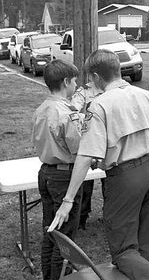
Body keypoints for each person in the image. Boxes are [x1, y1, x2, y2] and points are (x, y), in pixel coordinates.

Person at [48, 49, 149, 280]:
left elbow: (85, 155)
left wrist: (68, 199)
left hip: (123, 178)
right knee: (143, 246)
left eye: (90, 79)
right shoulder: (146, 96)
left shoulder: (99, 105)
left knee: (122, 252)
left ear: (97, 77)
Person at [32, 59, 83, 280]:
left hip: (46, 172)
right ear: (66, 81)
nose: (76, 86)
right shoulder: (67, 113)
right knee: (65, 238)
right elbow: (79, 148)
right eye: (74, 81)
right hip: (64, 176)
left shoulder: (42, 108)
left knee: (50, 233)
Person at [70, 80, 103, 230]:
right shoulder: (84, 91)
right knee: (85, 184)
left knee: (111, 184)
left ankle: (110, 215)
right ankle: (81, 218)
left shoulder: (113, 90)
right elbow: (73, 111)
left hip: (107, 143)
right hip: (89, 141)